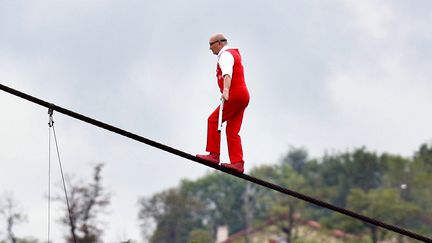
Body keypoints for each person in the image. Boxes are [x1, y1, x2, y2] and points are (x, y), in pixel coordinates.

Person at [197, 33, 250, 173]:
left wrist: (226, 90)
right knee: (232, 131)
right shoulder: (233, 54)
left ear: (219, 43)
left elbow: (227, 73)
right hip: (243, 96)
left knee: (213, 120)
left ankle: (214, 155)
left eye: (211, 44)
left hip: (235, 95)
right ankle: (238, 163)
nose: (210, 48)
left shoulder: (225, 55)